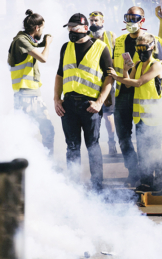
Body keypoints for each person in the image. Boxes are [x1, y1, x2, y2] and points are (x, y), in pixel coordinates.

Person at [54, 13, 114, 190]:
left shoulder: (101, 47)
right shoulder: (66, 47)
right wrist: (56, 99)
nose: (72, 31)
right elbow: (59, 75)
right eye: (70, 28)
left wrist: (99, 102)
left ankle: (97, 187)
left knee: (92, 147)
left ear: (86, 28)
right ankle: (74, 187)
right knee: (72, 147)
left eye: (75, 28)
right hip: (69, 105)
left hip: (90, 106)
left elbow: (110, 78)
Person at [112, 7, 162, 186]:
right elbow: (124, 74)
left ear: (142, 20)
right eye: (127, 17)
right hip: (123, 94)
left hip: (145, 99)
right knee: (124, 137)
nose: (130, 21)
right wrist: (122, 76)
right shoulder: (119, 41)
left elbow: (154, 73)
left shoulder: (153, 42)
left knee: (150, 143)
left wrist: (120, 77)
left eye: (134, 18)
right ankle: (135, 171)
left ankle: (154, 177)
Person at [8, 10, 55, 155]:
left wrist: (41, 43)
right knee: (46, 130)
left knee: (26, 132)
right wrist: (47, 44)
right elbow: (43, 58)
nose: (43, 31)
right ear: (37, 28)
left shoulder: (23, 40)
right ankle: (47, 163)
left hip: (26, 94)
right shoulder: (21, 41)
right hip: (28, 95)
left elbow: (33, 46)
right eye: (43, 28)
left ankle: (35, 163)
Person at [89, 11, 120, 156]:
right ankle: (93, 146)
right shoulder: (87, 37)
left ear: (102, 21)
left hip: (108, 79)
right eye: (91, 21)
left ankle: (111, 143)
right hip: (92, 81)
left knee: (108, 114)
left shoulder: (110, 35)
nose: (93, 23)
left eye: (96, 20)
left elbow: (118, 54)